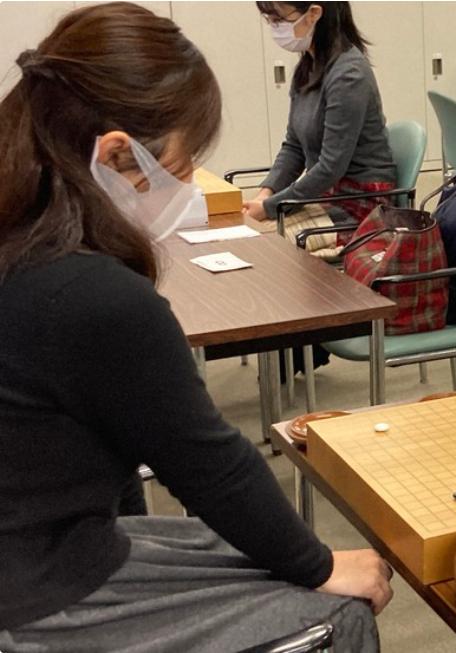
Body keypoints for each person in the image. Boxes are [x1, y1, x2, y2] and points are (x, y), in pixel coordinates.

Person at [0, 4, 391, 652]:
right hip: (38, 592)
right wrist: (324, 564)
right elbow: (213, 466)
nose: (184, 189)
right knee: (340, 613)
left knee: (231, 542)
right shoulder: (97, 297)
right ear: (118, 154)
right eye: (181, 169)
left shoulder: (25, 241)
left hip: (51, 544)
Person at [242, 1, 397, 257]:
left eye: (279, 19)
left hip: (358, 204)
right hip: (325, 195)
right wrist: (265, 194)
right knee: (251, 236)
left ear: (314, 14)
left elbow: (330, 167)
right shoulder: (308, 68)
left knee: (263, 248)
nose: (275, 27)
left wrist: (271, 208)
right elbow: (293, 147)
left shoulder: (349, 74)